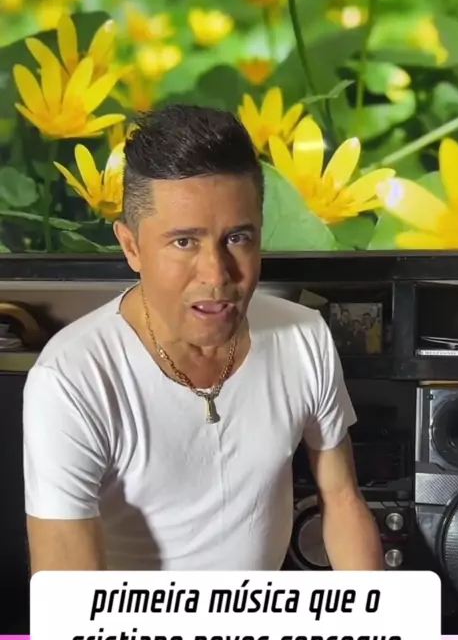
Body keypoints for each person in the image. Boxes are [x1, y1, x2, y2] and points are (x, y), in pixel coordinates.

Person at [23, 105, 383, 573]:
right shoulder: (71, 378)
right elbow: (70, 596)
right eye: (184, 242)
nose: (216, 275)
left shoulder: (304, 336)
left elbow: (341, 499)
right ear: (131, 247)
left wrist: (376, 612)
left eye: (237, 239)